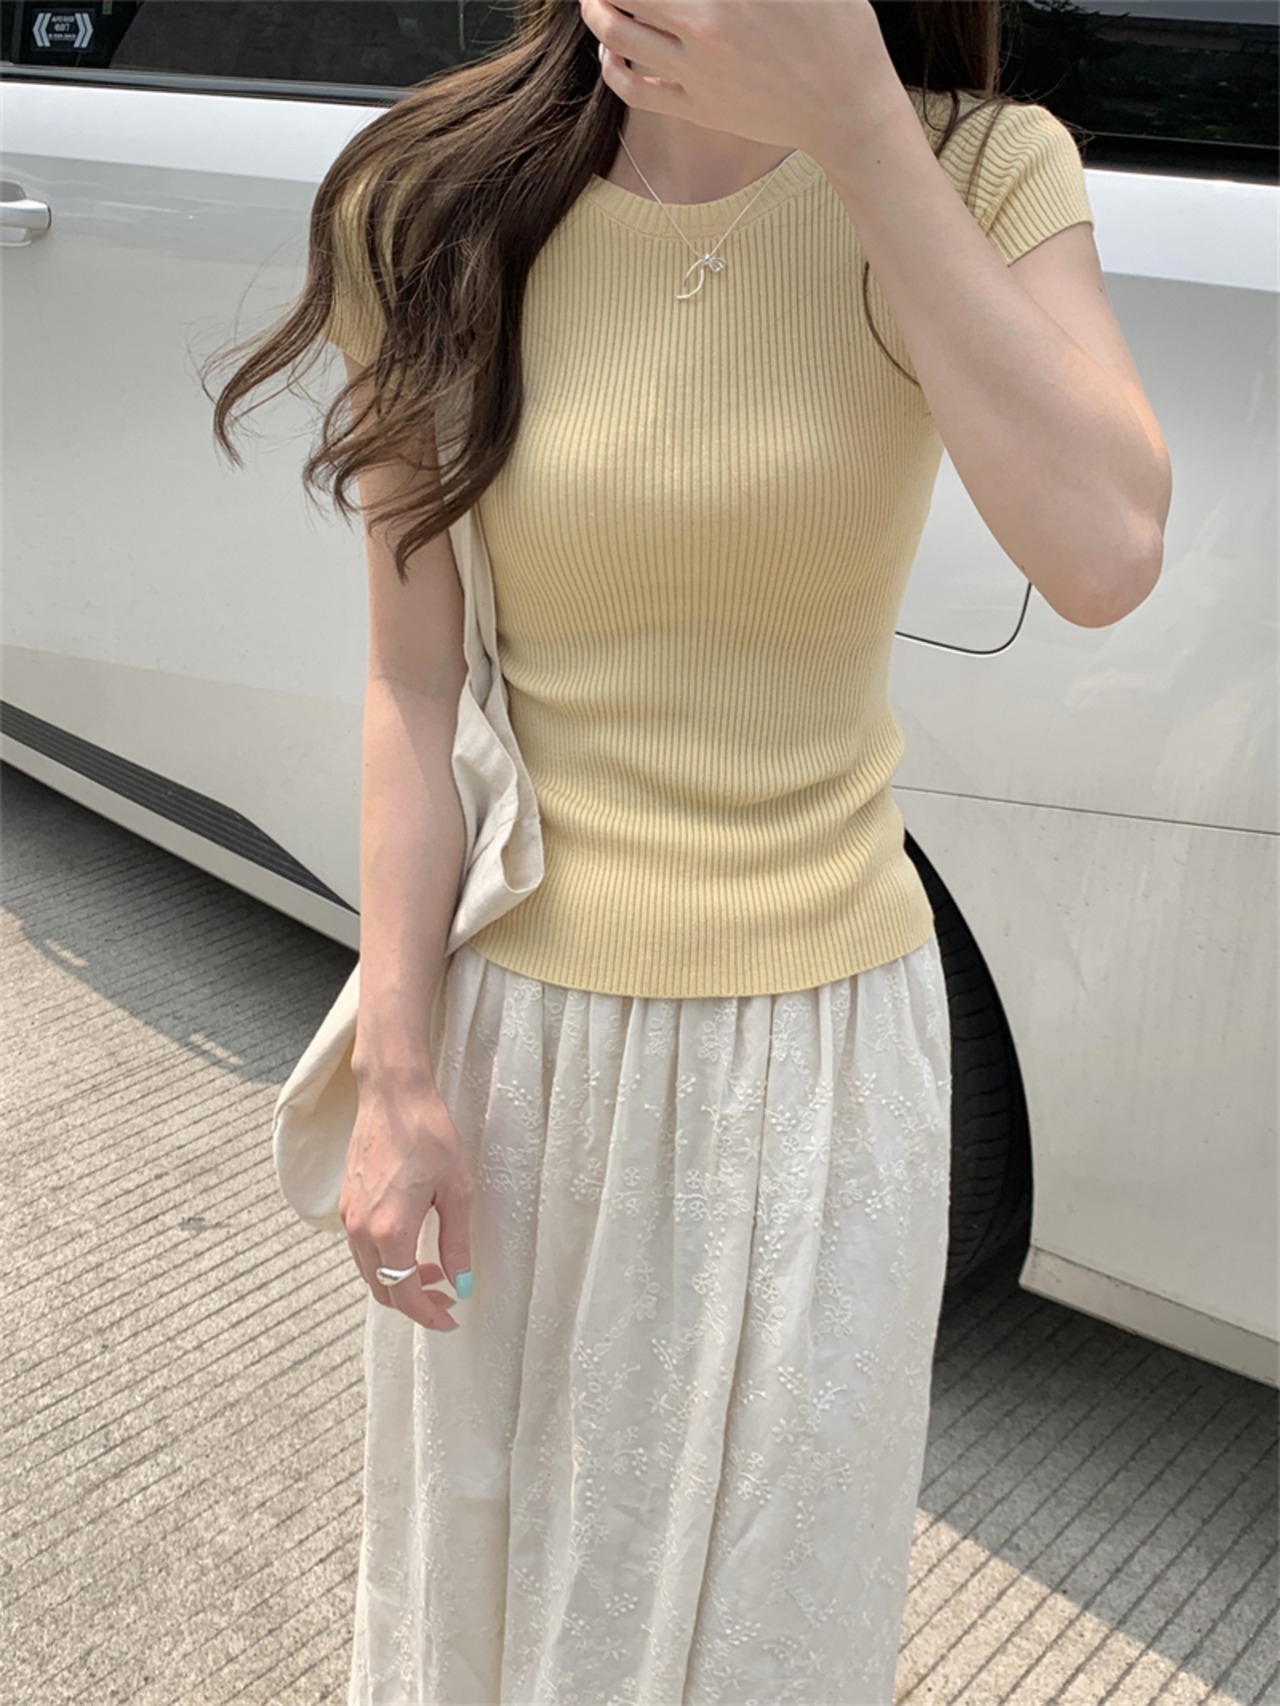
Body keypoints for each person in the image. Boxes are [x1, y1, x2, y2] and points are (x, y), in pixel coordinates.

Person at [212, 3, 1171, 1701]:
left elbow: (1104, 551)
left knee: (770, 1633)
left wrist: (860, 130)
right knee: (494, 1602)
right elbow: (414, 684)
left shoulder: (977, 170)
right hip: (522, 1064)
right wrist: (400, 1071)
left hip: (827, 1075)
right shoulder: (431, 200)